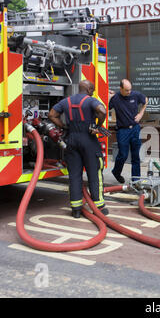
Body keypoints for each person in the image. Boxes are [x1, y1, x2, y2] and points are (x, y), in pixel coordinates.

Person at [48, 80, 109, 218]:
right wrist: (98, 126)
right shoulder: (90, 100)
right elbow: (102, 111)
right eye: (92, 90)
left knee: (75, 175)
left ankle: (76, 209)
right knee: (94, 173)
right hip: (88, 140)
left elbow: (51, 114)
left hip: (72, 139)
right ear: (89, 89)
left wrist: (63, 126)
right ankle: (99, 206)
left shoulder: (66, 101)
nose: (93, 92)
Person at [109, 79, 148, 183]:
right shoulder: (115, 98)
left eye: (130, 89)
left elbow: (145, 100)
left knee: (136, 155)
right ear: (120, 89)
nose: (129, 92)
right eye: (126, 90)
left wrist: (141, 114)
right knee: (123, 154)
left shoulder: (135, 95)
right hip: (123, 131)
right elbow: (105, 108)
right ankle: (116, 172)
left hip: (135, 129)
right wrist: (108, 97)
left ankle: (136, 179)